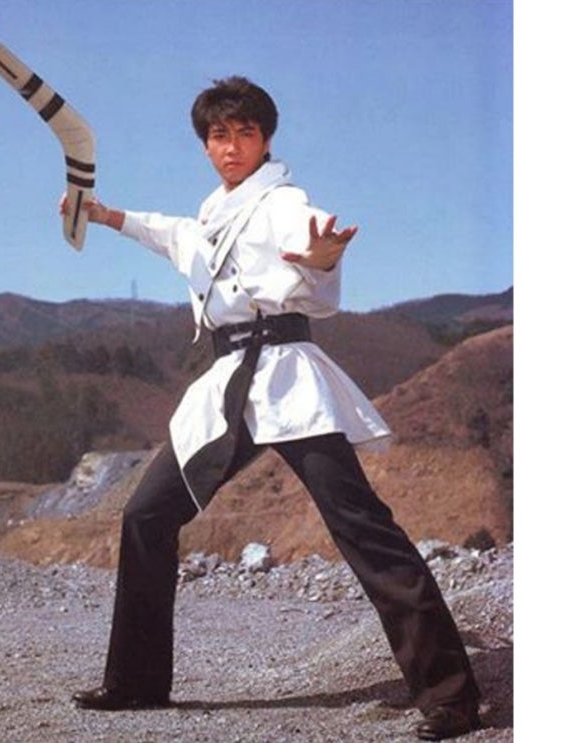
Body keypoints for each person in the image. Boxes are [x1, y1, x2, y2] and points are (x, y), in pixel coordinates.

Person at [61, 76, 481, 741]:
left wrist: (320, 258)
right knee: (146, 514)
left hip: (286, 377)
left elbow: (310, 241)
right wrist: (109, 216)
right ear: (205, 145)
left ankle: (451, 696)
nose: (231, 147)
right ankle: (135, 681)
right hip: (227, 383)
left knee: (361, 527)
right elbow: (173, 235)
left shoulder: (283, 200)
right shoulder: (214, 215)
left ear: (265, 139)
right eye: (218, 135)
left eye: (245, 133)